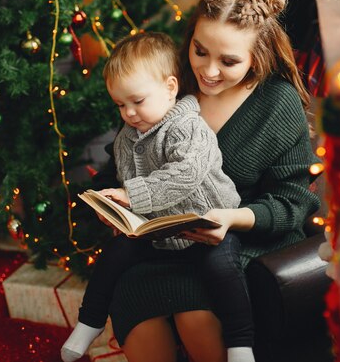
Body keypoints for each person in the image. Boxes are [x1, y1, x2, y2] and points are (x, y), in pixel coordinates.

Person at [82, 0, 321, 362]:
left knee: (195, 315)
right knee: (135, 312)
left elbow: (293, 203)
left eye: (228, 61)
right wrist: (114, 204)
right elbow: (120, 164)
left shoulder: (276, 104)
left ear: (256, 55)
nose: (208, 71)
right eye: (199, 51)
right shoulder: (167, 84)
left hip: (240, 245)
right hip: (161, 247)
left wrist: (230, 218)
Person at [61, 32, 251, 362]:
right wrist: (116, 209)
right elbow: (126, 180)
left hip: (209, 226)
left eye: (137, 101)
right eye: (120, 105)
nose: (129, 113)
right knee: (115, 255)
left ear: (169, 88)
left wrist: (130, 194)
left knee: (223, 268)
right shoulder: (127, 138)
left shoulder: (188, 127)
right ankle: (88, 321)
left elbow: (186, 174)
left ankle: (240, 344)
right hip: (162, 234)